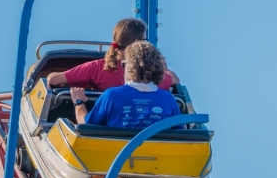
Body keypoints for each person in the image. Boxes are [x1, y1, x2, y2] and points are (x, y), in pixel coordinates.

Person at [47, 18, 178, 92]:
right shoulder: (148, 74)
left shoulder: (96, 68)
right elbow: (174, 79)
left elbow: (53, 79)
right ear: (137, 42)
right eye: (145, 40)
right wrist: (163, 68)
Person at [71, 41, 181, 129]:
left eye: (123, 64)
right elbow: (182, 135)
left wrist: (79, 102)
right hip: (159, 155)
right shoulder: (168, 99)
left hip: (118, 155)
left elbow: (86, 127)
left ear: (129, 67)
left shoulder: (111, 95)